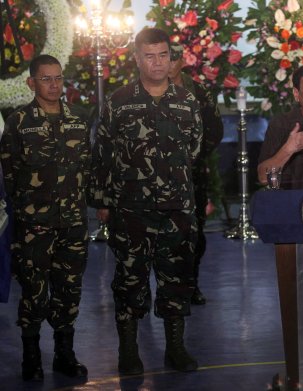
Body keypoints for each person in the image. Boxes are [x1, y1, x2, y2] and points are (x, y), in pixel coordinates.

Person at [90, 28, 203, 375]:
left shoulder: (187, 101)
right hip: (131, 210)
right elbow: (103, 154)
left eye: (163, 55)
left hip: (177, 211)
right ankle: (128, 350)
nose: (157, 62)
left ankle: (176, 348)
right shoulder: (119, 101)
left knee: (176, 280)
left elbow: (194, 151)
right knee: (129, 281)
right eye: (149, 56)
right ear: (137, 59)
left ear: (171, 58)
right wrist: (103, 203)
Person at [0, 54, 90, 381]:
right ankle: (32, 357)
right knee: (34, 294)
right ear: (31, 82)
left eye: (58, 78)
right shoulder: (19, 122)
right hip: (34, 226)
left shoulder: (79, 120)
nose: (53, 85)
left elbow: (86, 169)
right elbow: (9, 174)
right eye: (46, 78)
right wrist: (28, 210)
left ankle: (64, 355)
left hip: (73, 225)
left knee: (69, 292)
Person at [168, 43, 224, 305]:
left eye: (171, 59)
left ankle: (191, 284)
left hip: (192, 175)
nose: (165, 64)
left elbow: (215, 129)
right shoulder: (142, 90)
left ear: (181, 62)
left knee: (194, 233)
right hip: (152, 177)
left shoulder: (197, 91)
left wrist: (195, 154)